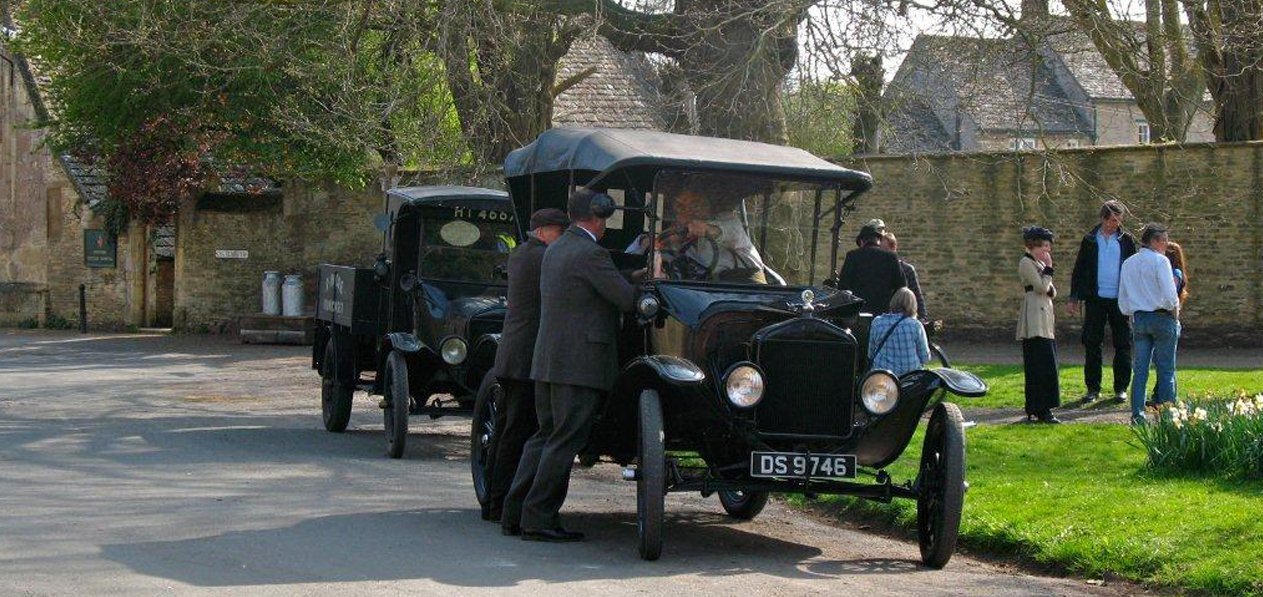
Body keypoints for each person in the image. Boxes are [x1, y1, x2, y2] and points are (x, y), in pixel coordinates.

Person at [500, 188, 636, 543]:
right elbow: (624, 299)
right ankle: (539, 518)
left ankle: (514, 513)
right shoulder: (592, 253)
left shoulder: (557, 249)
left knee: (543, 436)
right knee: (564, 440)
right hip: (579, 365)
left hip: (548, 360)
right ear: (597, 216)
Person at [482, 208, 569, 523]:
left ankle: (494, 501)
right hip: (525, 357)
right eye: (560, 233)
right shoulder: (540, 258)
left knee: (508, 431)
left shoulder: (523, 253)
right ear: (545, 231)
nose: (562, 240)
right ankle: (501, 503)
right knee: (516, 433)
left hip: (515, 354)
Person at [1068, 200, 1137, 403]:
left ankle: (1121, 388)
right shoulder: (1090, 240)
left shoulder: (1126, 240)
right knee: (1092, 343)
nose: (1115, 224)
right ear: (1103, 218)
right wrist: (1073, 298)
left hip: (1119, 299)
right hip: (1095, 299)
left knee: (1123, 344)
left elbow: (1133, 269)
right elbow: (1079, 269)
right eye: (1112, 220)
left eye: (1118, 220)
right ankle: (1093, 389)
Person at [1119, 224, 1181, 425]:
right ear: (1154, 241)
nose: (1166, 244)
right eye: (1163, 240)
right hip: (1162, 316)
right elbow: (1171, 295)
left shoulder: (1128, 263)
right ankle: (1167, 415)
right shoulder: (1160, 261)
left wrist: (1133, 311)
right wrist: (1174, 311)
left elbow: (1123, 299)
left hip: (1139, 318)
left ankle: (1137, 414)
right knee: (1166, 369)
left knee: (1140, 370)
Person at [658, 190, 772, 283]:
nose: (688, 211)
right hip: (708, 297)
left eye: (694, 204)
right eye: (680, 206)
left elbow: (732, 233)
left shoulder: (727, 220)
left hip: (746, 289)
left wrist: (707, 230)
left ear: (706, 206)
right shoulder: (679, 244)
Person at [1017, 226, 1061, 424]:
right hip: (1034, 316)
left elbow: (1052, 292)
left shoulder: (1039, 264)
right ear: (1032, 246)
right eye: (1043, 246)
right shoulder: (1026, 263)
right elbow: (1042, 287)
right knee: (1039, 364)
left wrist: (1046, 271)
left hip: (1045, 317)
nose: (1047, 251)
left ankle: (1045, 407)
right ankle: (1039, 408)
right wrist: (1049, 270)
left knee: (1048, 363)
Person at [838, 223, 907, 314]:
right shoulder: (890, 257)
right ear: (878, 240)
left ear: (862, 241)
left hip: (859, 311)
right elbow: (902, 285)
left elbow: (843, 285)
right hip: (884, 311)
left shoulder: (853, 256)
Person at [1150, 240, 1188, 403]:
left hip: (1168, 318)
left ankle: (1168, 399)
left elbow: (1170, 296)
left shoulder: (1175, 273)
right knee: (1161, 362)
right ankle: (1159, 395)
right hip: (1163, 317)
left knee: (1166, 364)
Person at [867, 287, 930, 377]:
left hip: (883, 377)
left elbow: (870, 353)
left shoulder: (877, 322)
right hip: (910, 376)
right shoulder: (915, 325)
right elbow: (925, 358)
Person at [883, 231, 927, 320]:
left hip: (905, 318)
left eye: (885, 250)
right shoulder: (878, 271)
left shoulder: (907, 270)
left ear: (893, 248)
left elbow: (917, 296)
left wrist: (922, 318)